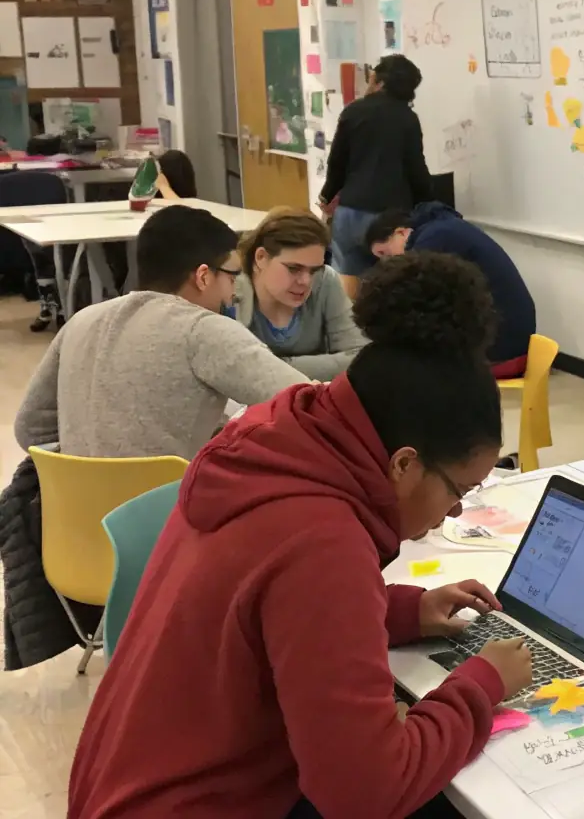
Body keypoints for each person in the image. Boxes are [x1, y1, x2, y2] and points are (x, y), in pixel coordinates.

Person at [67, 253, 534, 819]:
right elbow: (365, 792)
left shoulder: (278, 432)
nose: (456, 510)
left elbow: (266, 611)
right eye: (459, 489)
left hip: (130, 785)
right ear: (405, 464)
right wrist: (481, 685)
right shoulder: (323, 539)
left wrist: (404, 612)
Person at [14, 205, 308, 461]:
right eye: (232, 277)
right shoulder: (204, 330)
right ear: (203, 276)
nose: (235, 294)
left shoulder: (80, 321)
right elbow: (314, 410)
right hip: (169, 506)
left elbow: (29, 430)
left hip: (73, 506)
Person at [367, 204, 536, 378]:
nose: (387, 262)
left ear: (401, 233)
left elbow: (411, 301)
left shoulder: (432, 241)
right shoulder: (443, 228)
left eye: (385, 253)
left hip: (502, 348)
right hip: (515, 338)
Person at [319, 54, 435, 297]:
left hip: (351, 211)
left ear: (379, 81)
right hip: (390, 216)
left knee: (348, 284)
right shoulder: (407, 118)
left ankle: (349, 323)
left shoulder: (354, 111)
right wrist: (430, 206)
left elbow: (337, 161)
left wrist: (326, 195)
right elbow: (416, 168)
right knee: (391, 285)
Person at [233, 208, 366, 381]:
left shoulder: (324, 280)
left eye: (314, 270)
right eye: (293, 268)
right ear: (261, 258)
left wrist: (271, 366)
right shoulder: (231, 289)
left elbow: (360, 357)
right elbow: (231, 372)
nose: (305, 281)